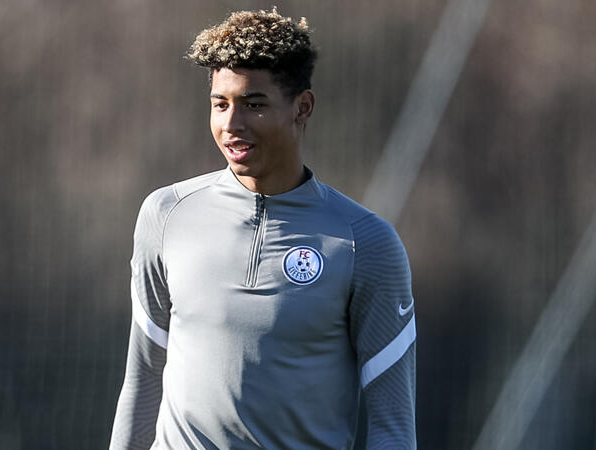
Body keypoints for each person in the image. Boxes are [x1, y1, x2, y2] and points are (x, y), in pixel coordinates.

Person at [110, 8, 416, 449]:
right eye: (220, 104)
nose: (231, 125)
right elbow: (142, 382)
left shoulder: (365, 242)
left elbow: (393, 427)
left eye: (253, 105)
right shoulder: (166, 215)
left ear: (302, 107)